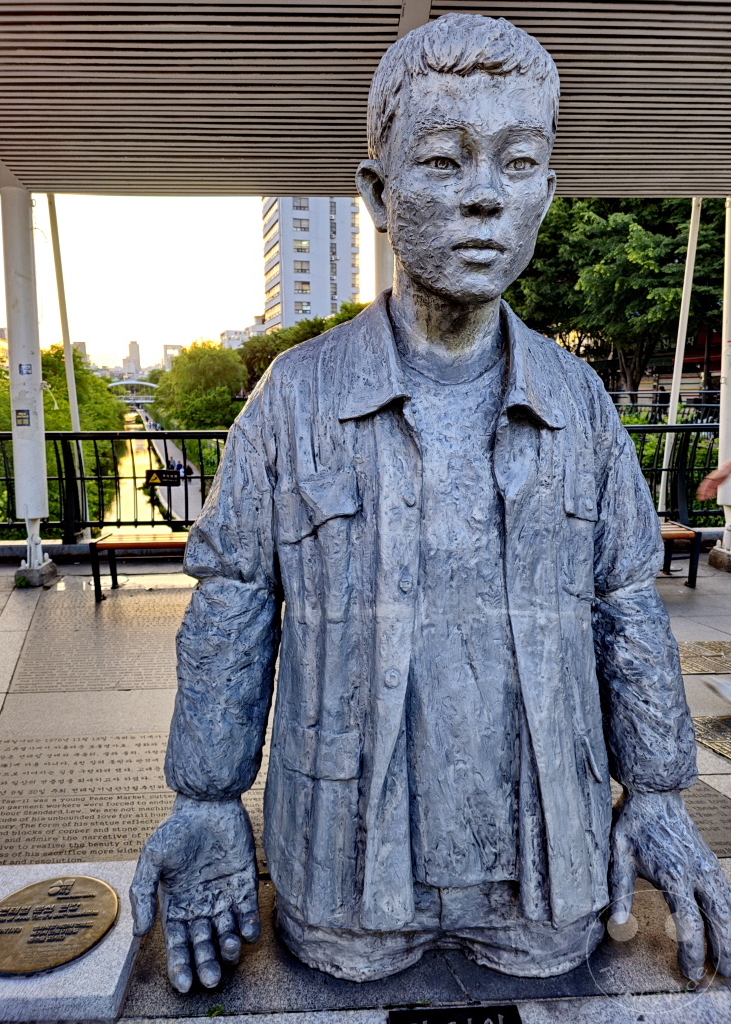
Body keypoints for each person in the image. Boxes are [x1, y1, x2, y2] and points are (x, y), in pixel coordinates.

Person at [131, 13, 731, 992]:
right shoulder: (296, 396)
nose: (485, 197)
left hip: (552, 878)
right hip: (342, 876)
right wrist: (205, 802)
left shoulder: (578, 404)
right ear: (378, 192)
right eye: (445, 161)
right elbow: (230, 600)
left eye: (520, 162)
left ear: (546, 186)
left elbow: (628, 606)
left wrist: (660, 790)